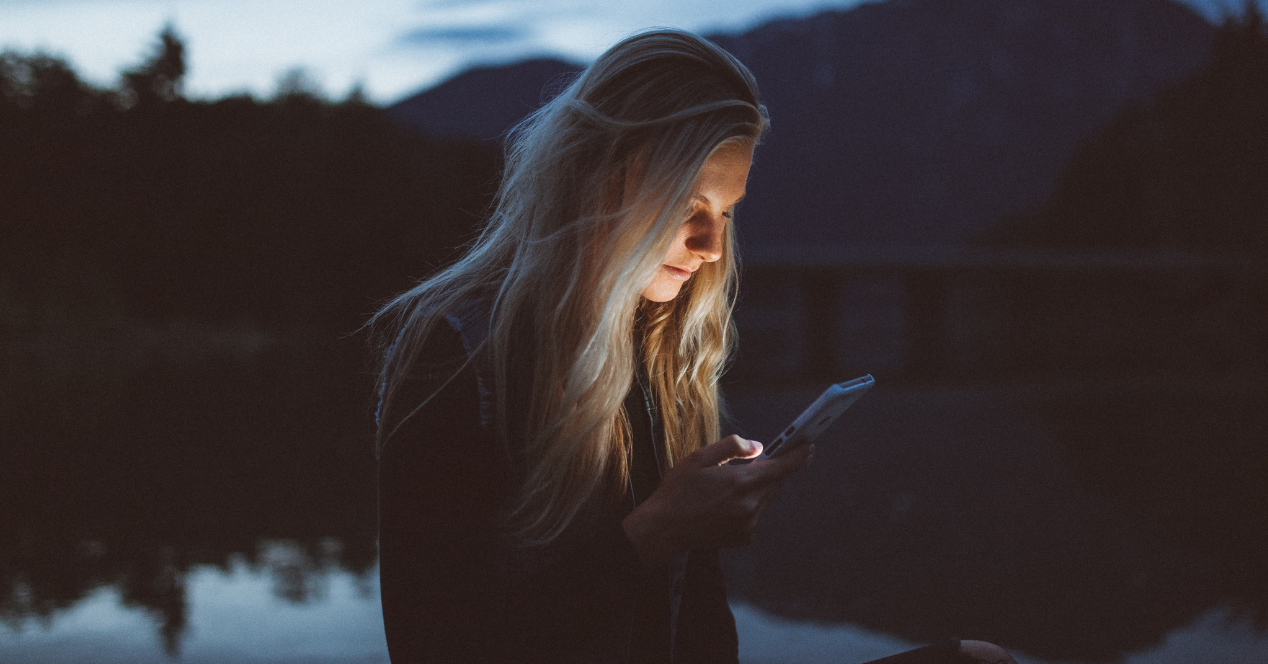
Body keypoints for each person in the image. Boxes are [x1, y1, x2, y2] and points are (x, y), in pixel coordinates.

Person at [371, 29, 1016, 664]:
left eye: (728, 211)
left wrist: (690, 525)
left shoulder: (660, 349)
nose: (712, 246)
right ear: (596, 177)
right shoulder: (455, 354)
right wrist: (659, 531)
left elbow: (698, 624)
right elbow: (431, 644)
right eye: (688, 204)